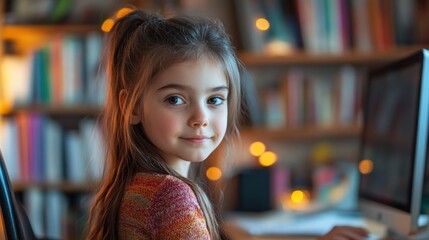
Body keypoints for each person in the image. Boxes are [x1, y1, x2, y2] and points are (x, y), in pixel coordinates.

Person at [87, 8, 368, 240]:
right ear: (131, 107)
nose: (201, 118)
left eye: (214, 100)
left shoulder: (142, 185)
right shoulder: (170, 197)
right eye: (175, 99)